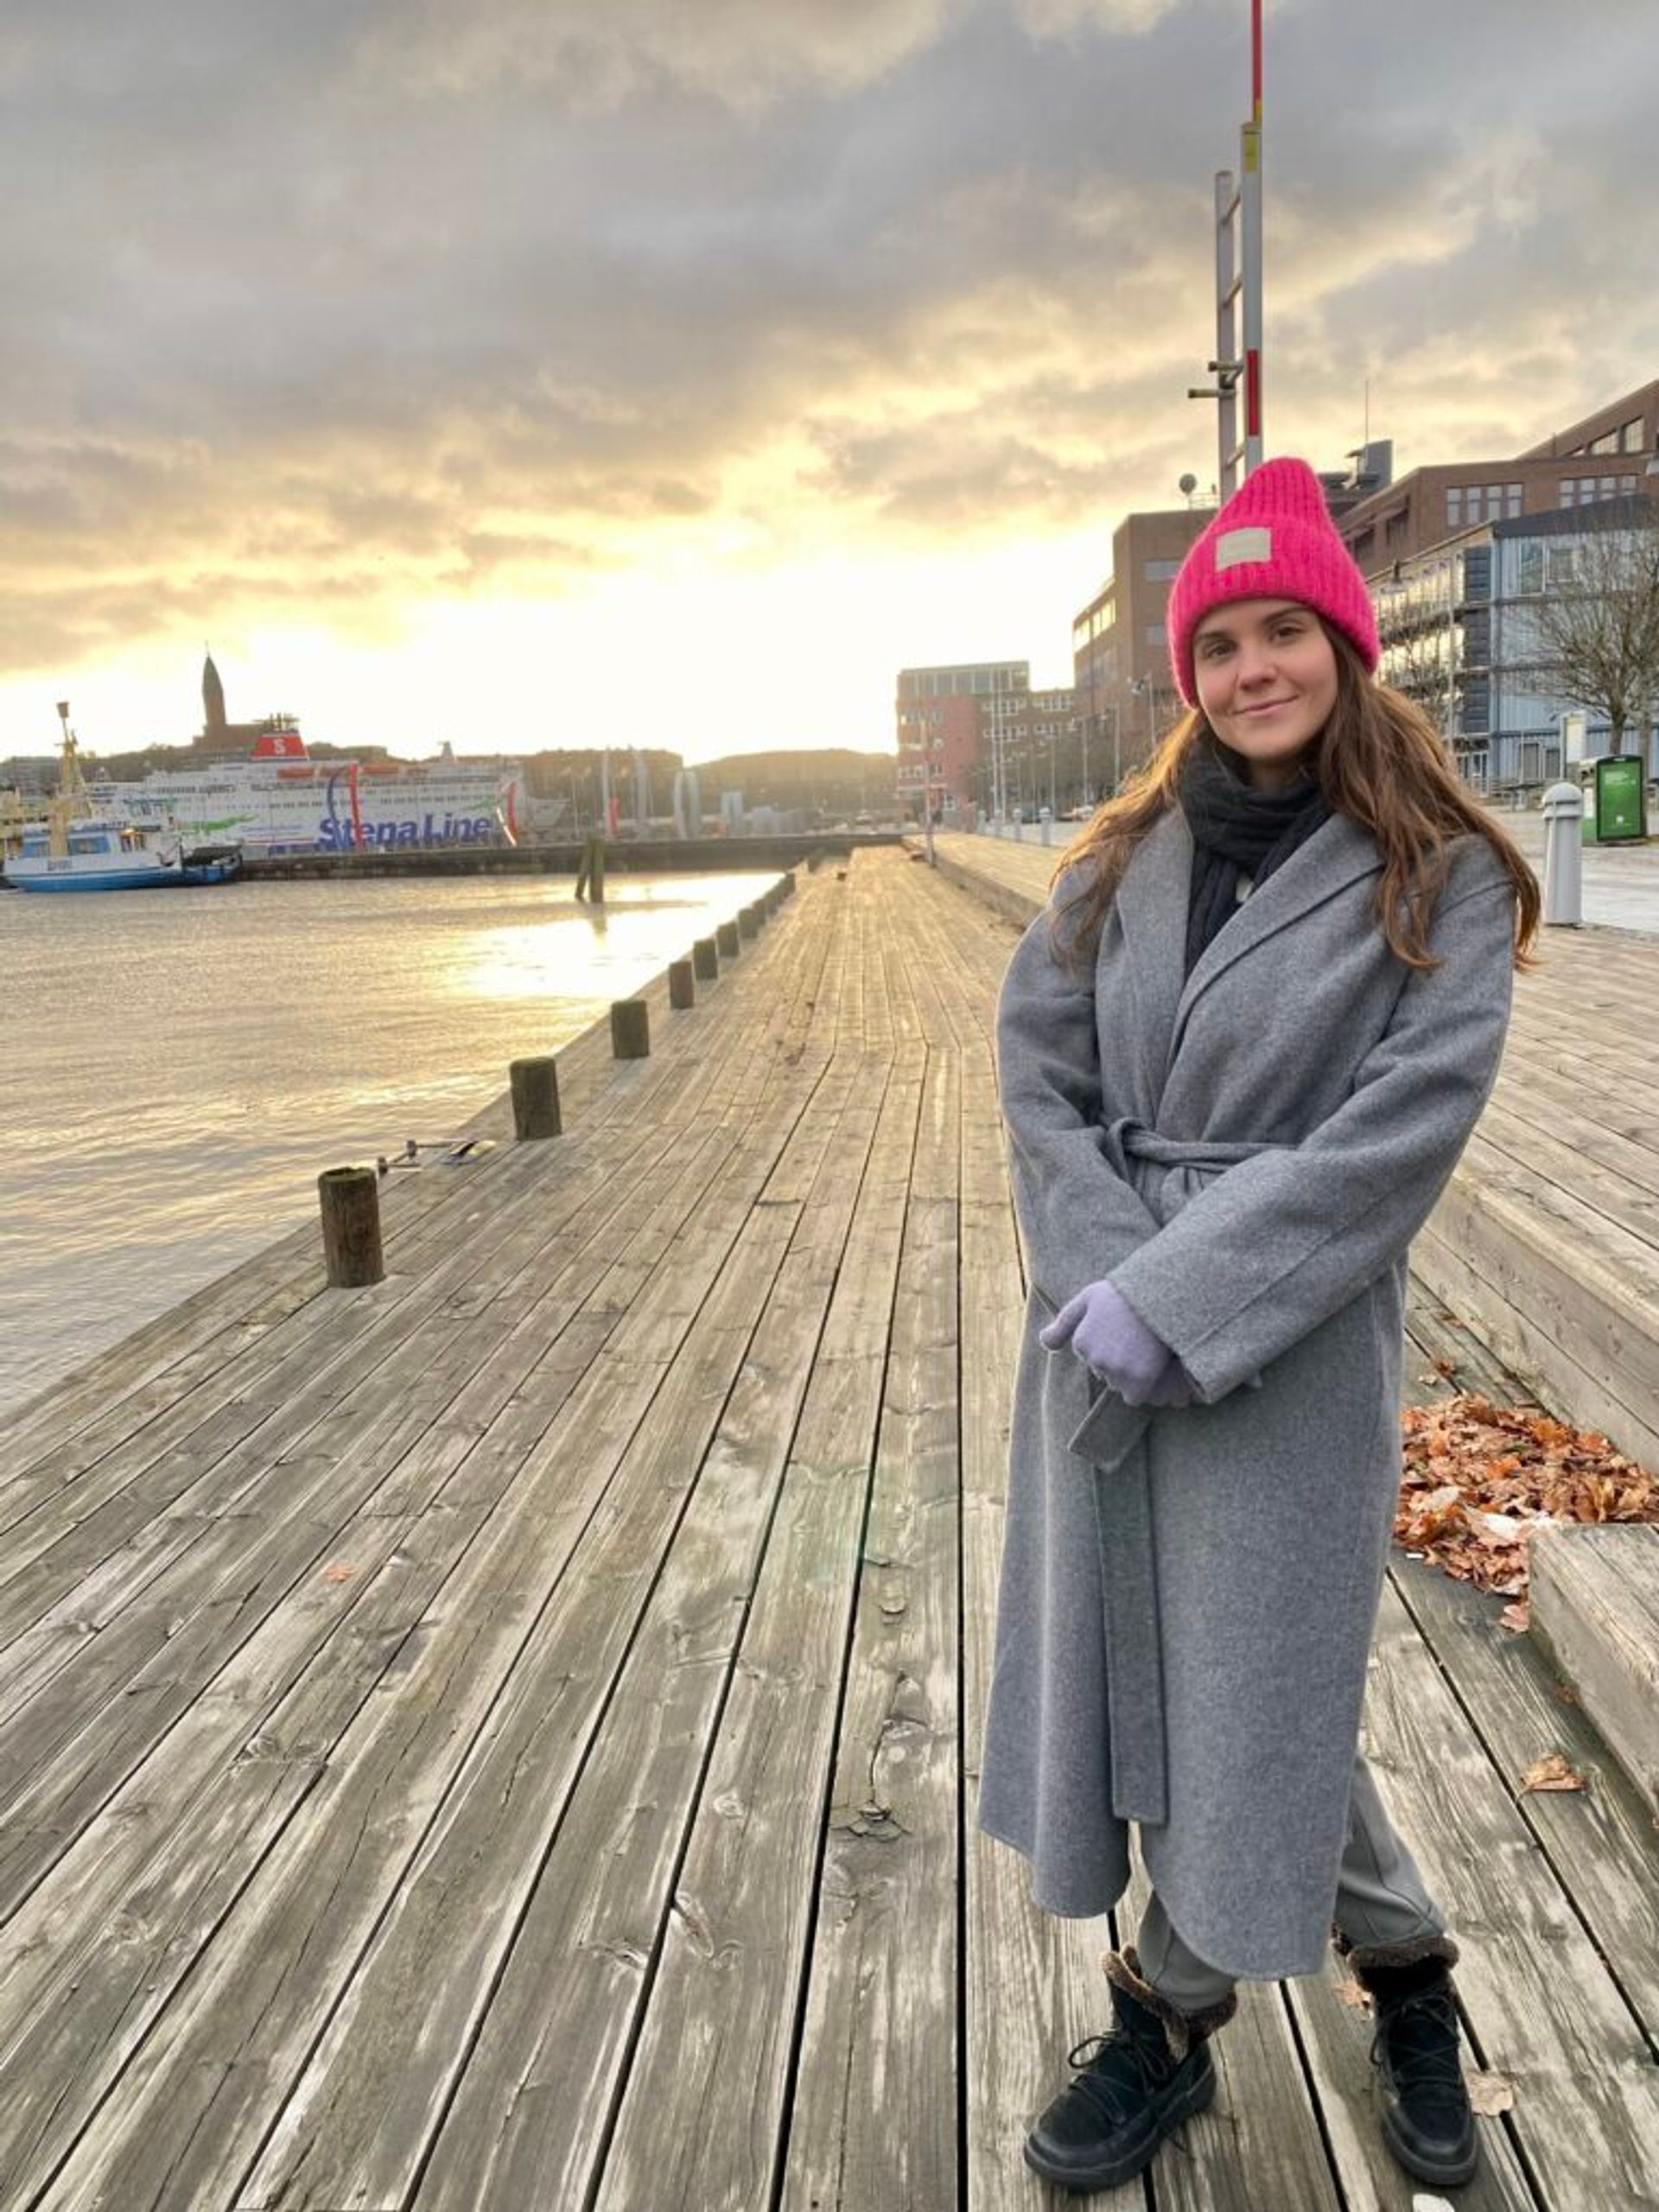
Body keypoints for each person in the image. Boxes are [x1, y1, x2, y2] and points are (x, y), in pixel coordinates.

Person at [977, 455, 1540, 2196]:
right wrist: (1110, 1276)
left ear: (1347, 643)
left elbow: (1398, 1133)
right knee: (1204, 1692)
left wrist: (1186, 1287)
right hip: (1104, 1332)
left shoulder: (1428, 876)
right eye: (1220, 642)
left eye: (1283, 627)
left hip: (1282, 1352)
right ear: (1189, 673)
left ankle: (1167, 2006)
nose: (1252, 669)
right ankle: (1417, 1970)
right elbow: (1041, 1079)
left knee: (1257, 1686)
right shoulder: (1113, 863)